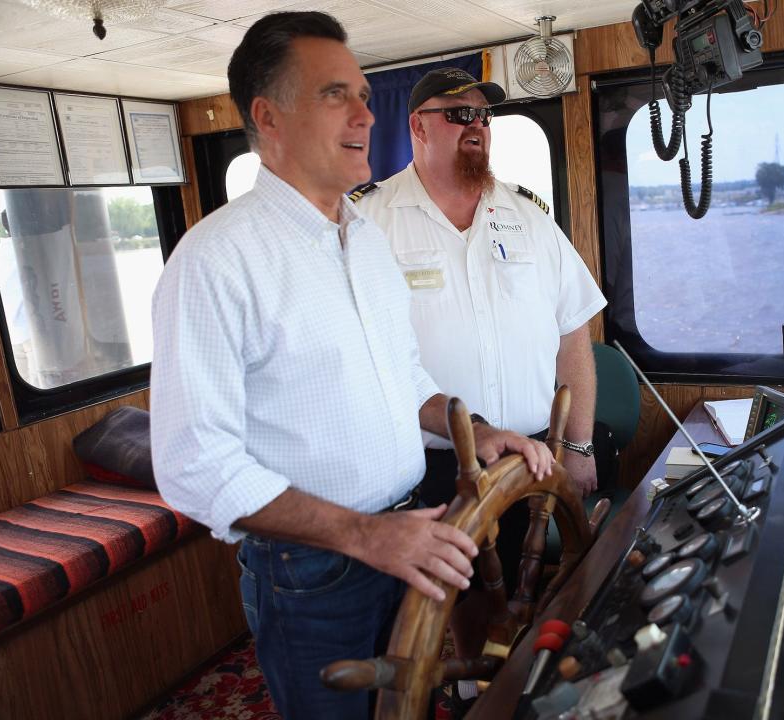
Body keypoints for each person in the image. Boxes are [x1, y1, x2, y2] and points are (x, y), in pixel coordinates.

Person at [149, 14, 553, 720]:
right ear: (268, 117)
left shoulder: (365, 240)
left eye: (365, 95)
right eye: (336, 95)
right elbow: (193, 464)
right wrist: (364, 535)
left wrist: (476, 431)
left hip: (406, 538)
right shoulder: (215, 260)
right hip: (312, 574)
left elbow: (405, 380)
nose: (367, 114)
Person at [355, 68, 607, 663]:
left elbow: (574, 336)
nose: (477, 127)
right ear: (418, 126)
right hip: (426, 462)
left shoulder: (528, 216)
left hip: (531, 454)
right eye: (459, 114)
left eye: (484, 117)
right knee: (459, 599)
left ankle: (531, 686)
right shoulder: (370, 222)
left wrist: (581, 447)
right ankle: (472, 689)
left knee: (540, 587)